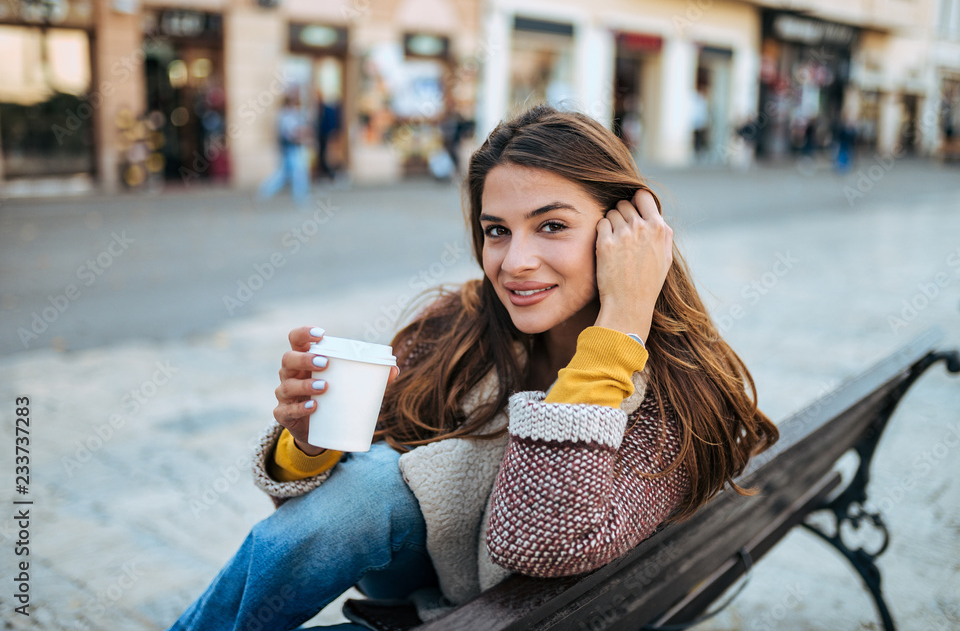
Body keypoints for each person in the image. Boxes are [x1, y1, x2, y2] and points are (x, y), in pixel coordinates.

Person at [171, 104, 779, 631]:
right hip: (429, 575)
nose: (515, 262)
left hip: (540, 616)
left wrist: (621, 322)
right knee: (368, 485)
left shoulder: (677, 398)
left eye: (552, 226)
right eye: (496, 230)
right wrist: (308, 445)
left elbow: (543, 537)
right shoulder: (458, 324)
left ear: (627, 233)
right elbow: (318, 529)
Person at [257, 91, 311, 207]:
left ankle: (265, 192)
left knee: (284, 174)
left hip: (288, 148)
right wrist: (302, 135)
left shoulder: (284, 115)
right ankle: (300, 196)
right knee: (297, 173)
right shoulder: (286, 116)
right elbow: (292, 133)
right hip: (291, 148)